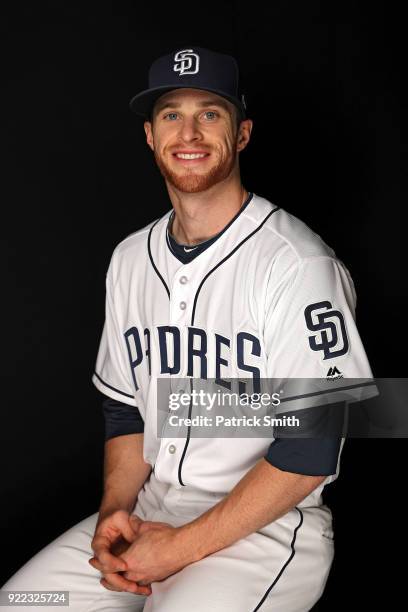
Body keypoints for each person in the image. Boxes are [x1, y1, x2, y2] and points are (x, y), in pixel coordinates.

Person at [1, 46, 374, 611]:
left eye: (211, 113)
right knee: (27, 602)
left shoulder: (297, 264)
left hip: (261, 530)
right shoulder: (130, 258)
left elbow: (312, 448)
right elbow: (126, 408)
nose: (189, 131)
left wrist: (177, 551)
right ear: (150, 137)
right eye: (171, 114)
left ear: (242, 133)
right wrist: (112, 517)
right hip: (151, 509)